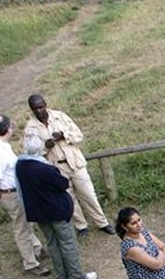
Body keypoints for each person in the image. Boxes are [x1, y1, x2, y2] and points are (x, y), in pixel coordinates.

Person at [23, 94, 115, 235]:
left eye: (41, 107)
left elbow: (79, 135)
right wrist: (45, 146)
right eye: (35, 109)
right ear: (31, 109)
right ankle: (81, 226)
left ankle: (102, 222)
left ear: (46, 105)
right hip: (56, 167)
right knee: (68, 198)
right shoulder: (30, 128)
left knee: (88, 194)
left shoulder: (60, 116)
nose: (39, 111)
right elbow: (30, 152)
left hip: (75, 163)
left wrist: (64, 135)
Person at [15, 134, 98, 279]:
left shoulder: (20, 165)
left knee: (52, 243)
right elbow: (63, 183)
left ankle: (63, 276)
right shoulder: (45, 168)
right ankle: (78, 277)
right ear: (40, 148)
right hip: (56, 211)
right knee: (68, 243)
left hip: (38, 213)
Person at [0, 114, 48, 276]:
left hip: (16, 190)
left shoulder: (0, 144)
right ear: (7, 130)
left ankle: (36, 248)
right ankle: (30, 262)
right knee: (21, 228)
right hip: (10, 193)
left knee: (26, 223)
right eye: (11, 125)